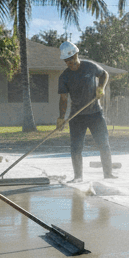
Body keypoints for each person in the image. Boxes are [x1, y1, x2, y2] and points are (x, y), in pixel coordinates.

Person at [55, 41, 114, 182]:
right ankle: (78, 177)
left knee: (104, 143)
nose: (70, 62)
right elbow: (63, 98)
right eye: (67, 60)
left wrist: (101, 87)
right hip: (77, 117)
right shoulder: (64, 77)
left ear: (77, 54)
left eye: (72, 58)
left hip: (95, 114)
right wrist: (61, 117)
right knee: (76, 148)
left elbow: (104, 74)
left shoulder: (89, 66)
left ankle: (108, 174)